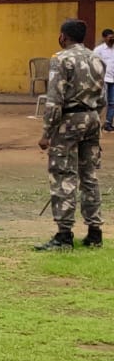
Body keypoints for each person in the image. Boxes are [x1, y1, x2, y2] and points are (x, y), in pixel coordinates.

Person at [35, 19, 105, 250]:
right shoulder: (97, 58)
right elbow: (103, 97)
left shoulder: (61, 59)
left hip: (69, 123)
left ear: (63, 37)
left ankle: (64, 236)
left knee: (64, 175)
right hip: (92, 119)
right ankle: (95, 233)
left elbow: (54, 100)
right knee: (89, 175)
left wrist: (47, 132)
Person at [96, 28, 114, 133]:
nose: (112, 39)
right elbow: (94, 63)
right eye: (110, 37)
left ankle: (108, 124)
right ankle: (96, 123)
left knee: (112, 103)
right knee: (101, 102)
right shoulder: (98, 50)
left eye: (113, 37)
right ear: (104, 38)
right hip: (103, 79)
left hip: (113, 79)